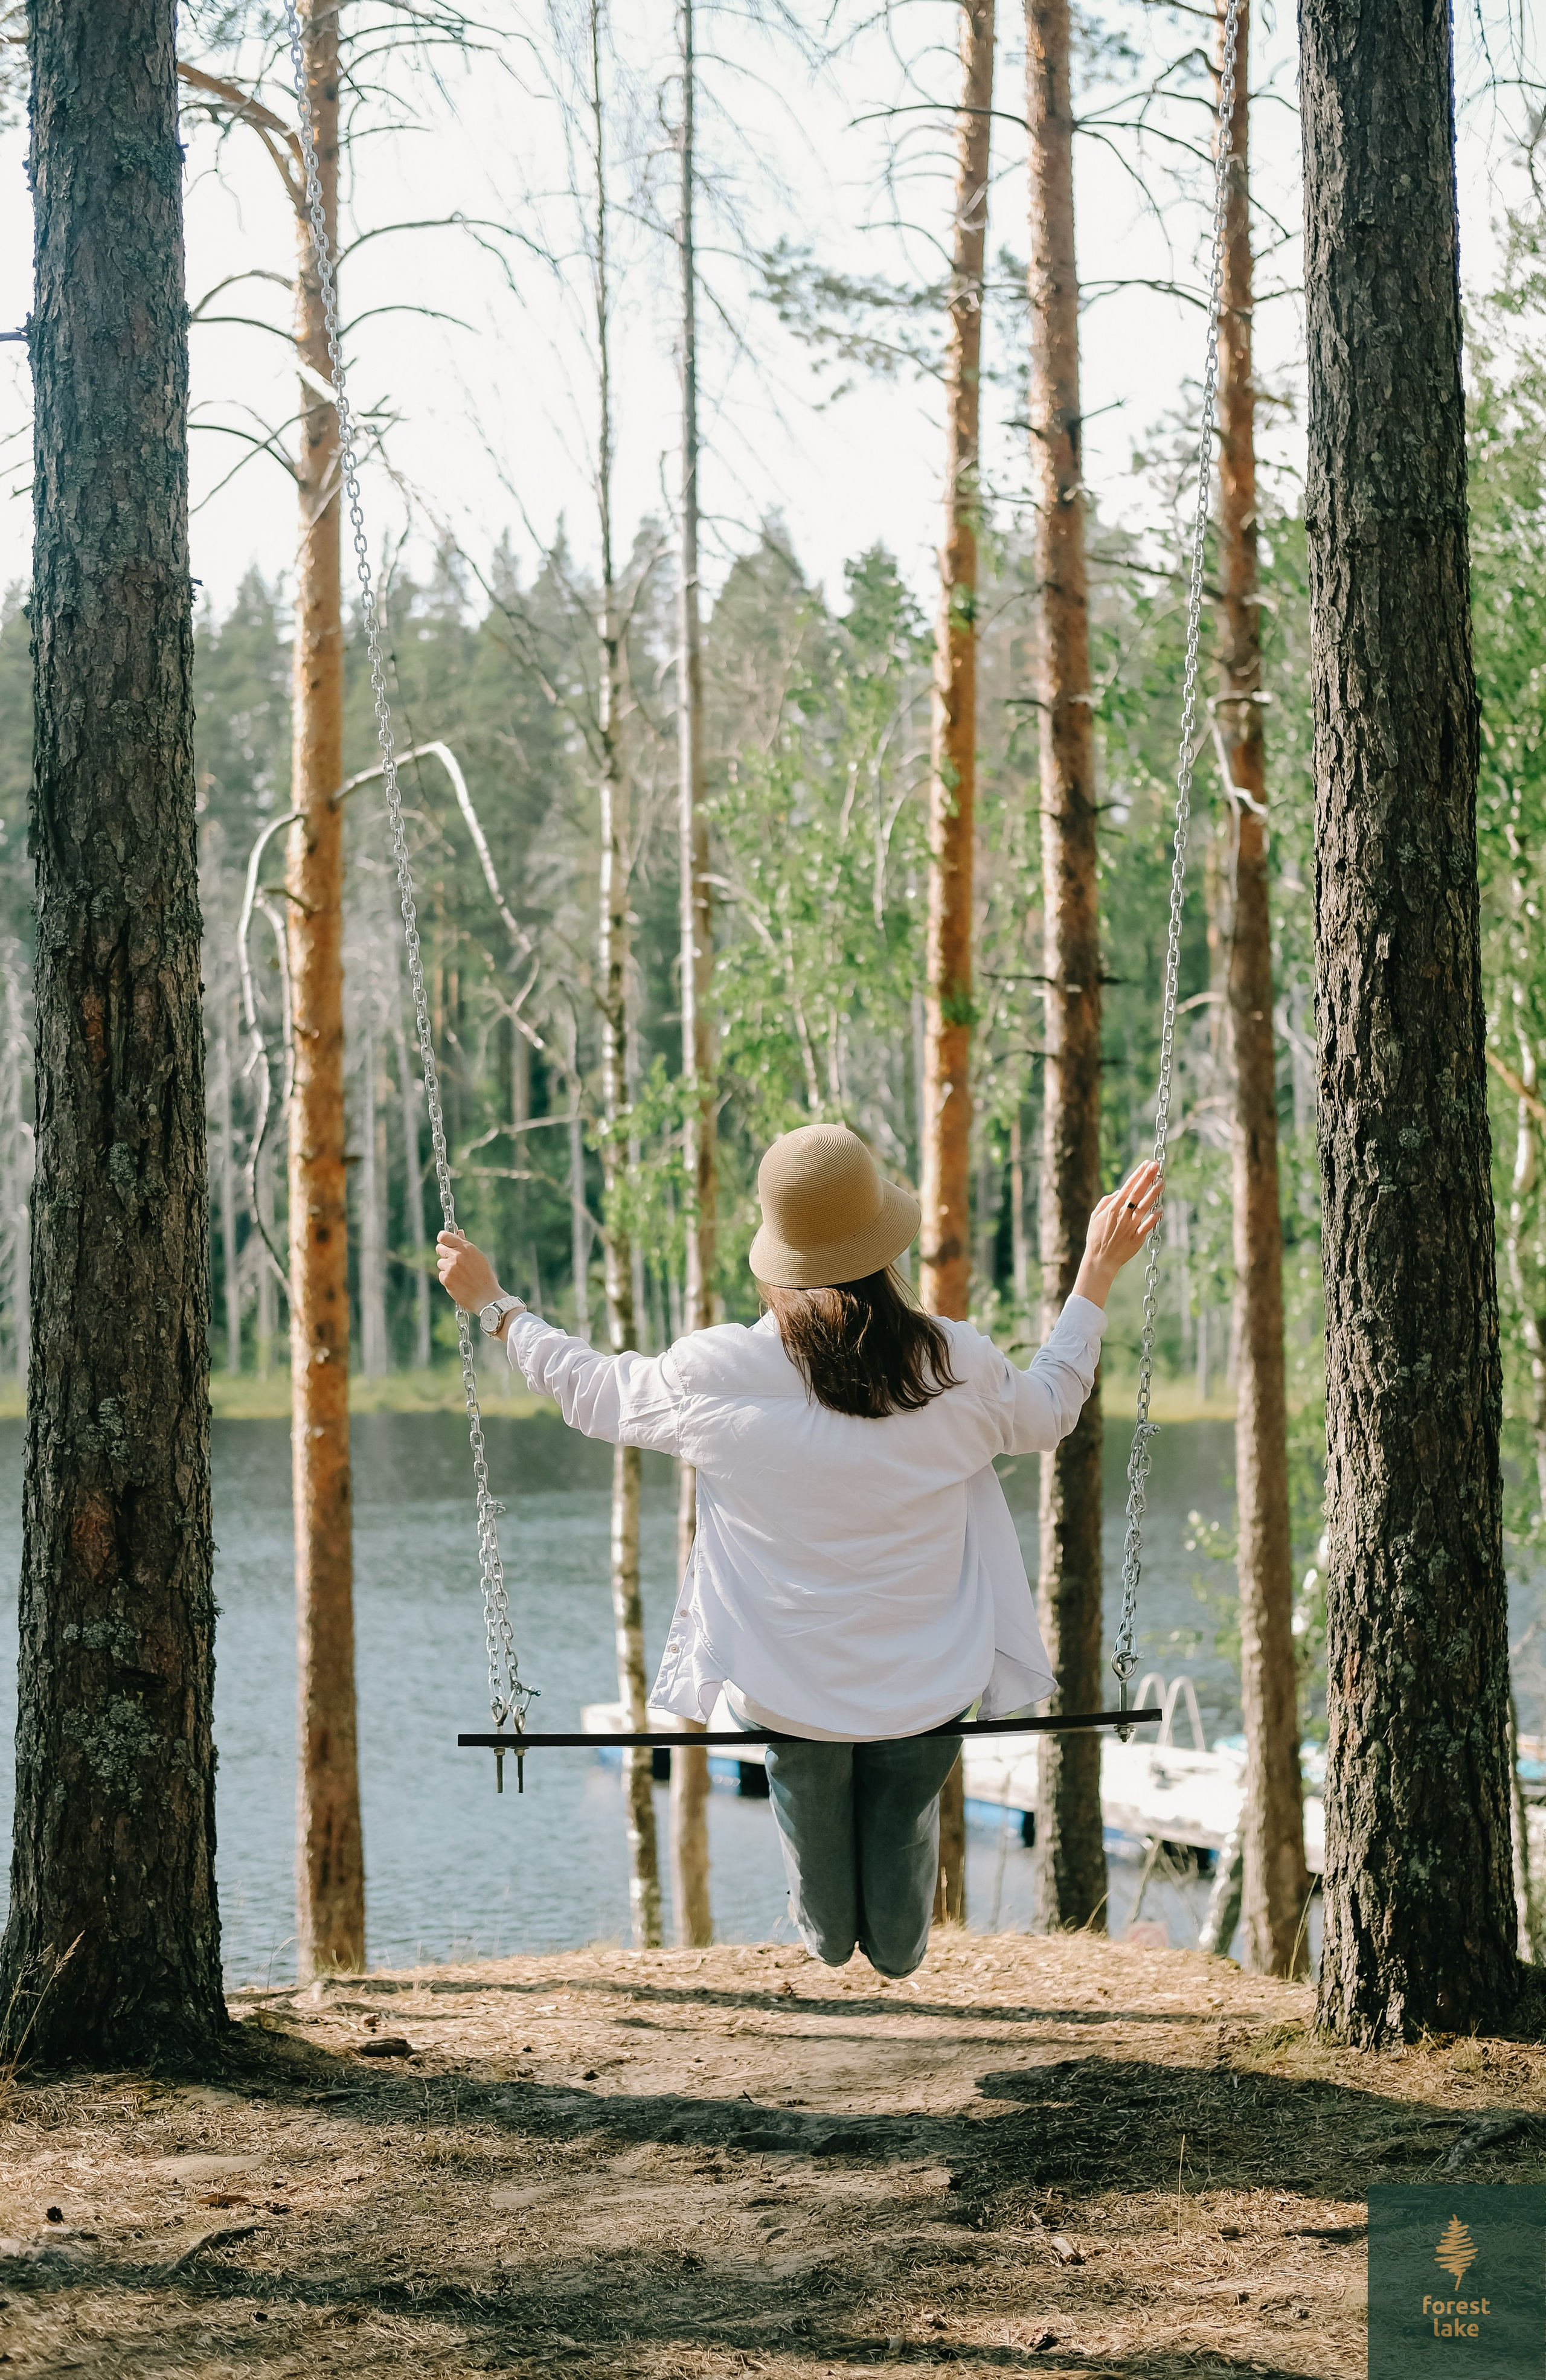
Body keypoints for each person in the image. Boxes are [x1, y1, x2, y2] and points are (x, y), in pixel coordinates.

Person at [437, 1123, 1160, 1979]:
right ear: (884, 1247)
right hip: (916, 1697)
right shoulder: (951, 1364)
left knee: (860, 1943)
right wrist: (1094, 1278)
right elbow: (1050, 1407)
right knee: (870, 1942)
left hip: (808, 1704)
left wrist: (498, 1309)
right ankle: (893, 1859)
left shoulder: (718, 1372)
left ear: (777, 1258)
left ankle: (877, 1879)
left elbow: (591, 1389)